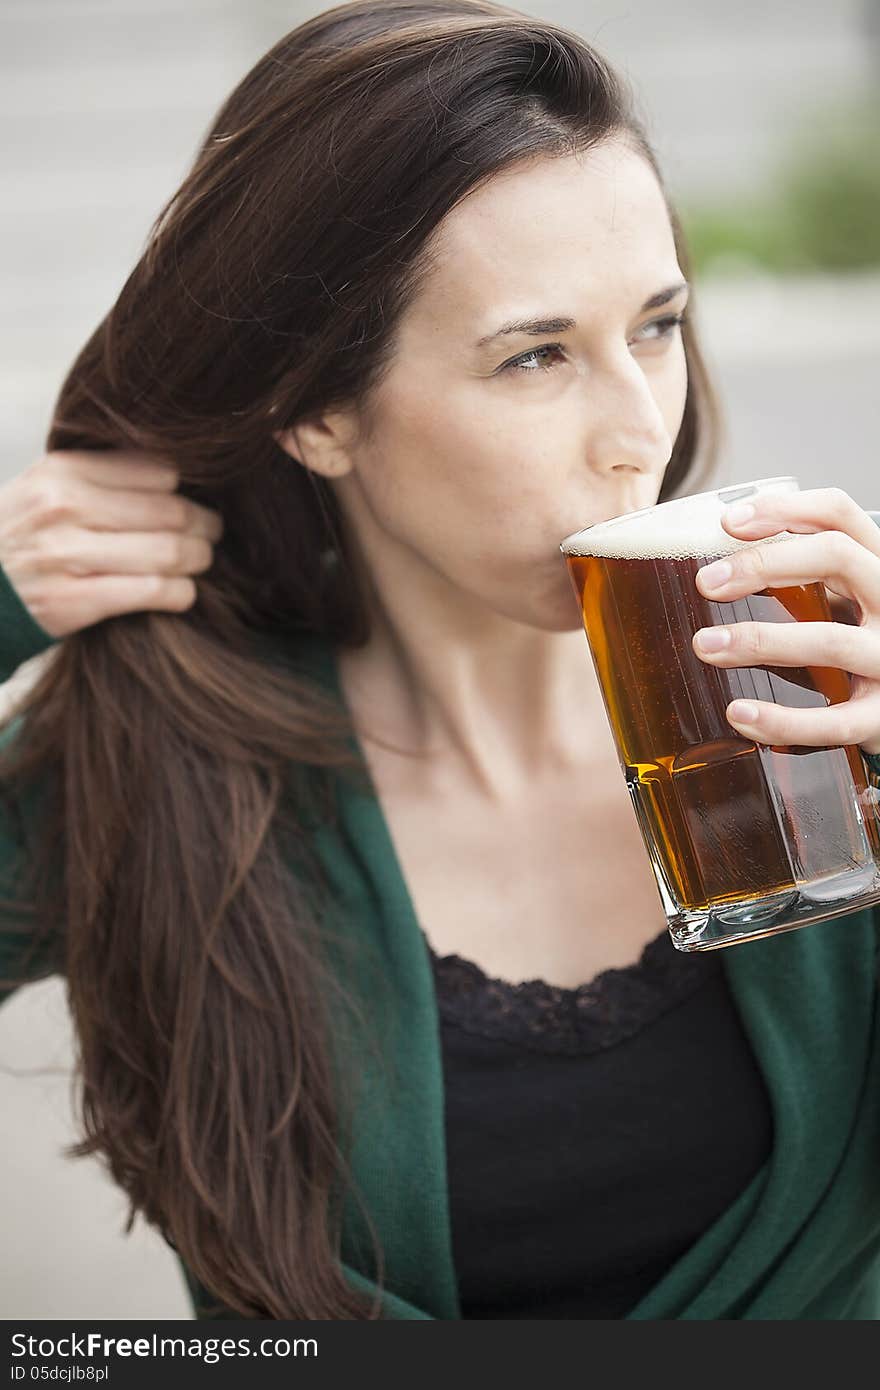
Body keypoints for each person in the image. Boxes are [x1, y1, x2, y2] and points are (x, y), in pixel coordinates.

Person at [2, 0, 880, 1322]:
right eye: (536, 355)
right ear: (315, 411)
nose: (639, 430)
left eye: (656, 325)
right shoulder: (167, 754)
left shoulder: (816, 707)